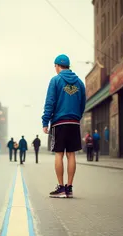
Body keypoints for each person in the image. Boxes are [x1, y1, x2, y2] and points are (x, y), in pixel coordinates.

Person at [42, 54, 86, 198]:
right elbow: (82, 103)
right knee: (71, 154)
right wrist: (76, 117)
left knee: (59, 154)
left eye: (54, 66)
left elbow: (50, 102)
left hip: (59, 123)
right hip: (74, 122)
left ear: (57, 66)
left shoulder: (55, 80)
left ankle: (61, 188)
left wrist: (45, 121)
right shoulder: (79, 82)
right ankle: (69, 188)